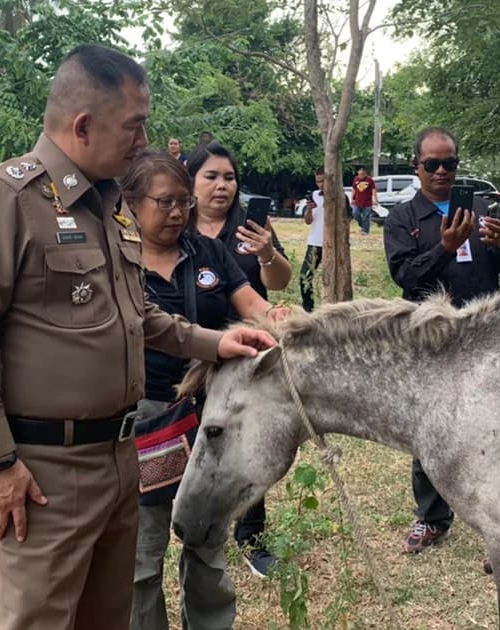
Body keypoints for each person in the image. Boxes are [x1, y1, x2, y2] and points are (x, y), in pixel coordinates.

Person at [0, 45, 275, 630]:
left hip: (119, 457)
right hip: (40, 469)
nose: (143, 142)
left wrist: (216, 344)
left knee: (108, 616)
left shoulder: (109, 206)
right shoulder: (5, 199)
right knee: (33, 617)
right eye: (134, 126)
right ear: (84, 125)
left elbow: (136, 315)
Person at [124, 152, 287, 630]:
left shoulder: (207, 253)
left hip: (212, 415)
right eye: (164, 202)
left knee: (207, 539)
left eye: (181, 202)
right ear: (131, 203)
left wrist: (274, 317)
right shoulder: (118, 262)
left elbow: (254, 303)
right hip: (148, 418)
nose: (177, 212)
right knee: (143, 553)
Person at [383, 127, 500, 559]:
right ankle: (431, 517)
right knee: (431, 429)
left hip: (487, 337)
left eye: (450, 163)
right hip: (434, 339)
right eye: (432, 164)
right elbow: (405, 277)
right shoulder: (403, 219)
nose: (442, 171)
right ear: (417, 167)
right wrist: (445, 247)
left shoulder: (484, 208)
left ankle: (496, 521)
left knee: (495, 427)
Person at [186, 141, 290, 574]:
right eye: (210, 176)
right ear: (190, 182)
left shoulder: (251, 226)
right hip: (190, 356)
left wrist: (266, 251)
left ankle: (253, 539)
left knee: (248, 444)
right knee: (197, 446)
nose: (221, 186)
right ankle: (199, 527)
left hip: (247, 356)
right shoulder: (176, 227)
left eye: (229, 177)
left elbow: (278, 282)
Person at [299, 166, 349, 312]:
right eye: (318, 182)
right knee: (305, 276)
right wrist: (309, 209)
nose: (320, 185)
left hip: (333, 244)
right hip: (315, 243)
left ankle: (334, 308)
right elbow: (308, 221)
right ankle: (308, 308)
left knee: (333, 278)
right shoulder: (314, 195)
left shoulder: (341, 196)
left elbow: (347, 221)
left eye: (323, 181)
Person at [350, 166, 377, 235]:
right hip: (357, 201)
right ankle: (362, 225)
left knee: (366, 217)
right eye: (359, 174)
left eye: (362, 174)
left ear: (365, 173)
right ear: (358, 173)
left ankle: (365, 231)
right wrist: (352, 198)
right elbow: (353, 189)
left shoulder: (369, 180)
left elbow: (373, 190)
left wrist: (375, 199)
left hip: (367, 202)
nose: (361, 176)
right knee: (355, 214)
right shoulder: (356, 179)